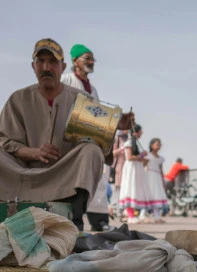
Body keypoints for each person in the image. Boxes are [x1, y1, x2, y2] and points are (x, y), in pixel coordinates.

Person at [0, 38, 134, 232]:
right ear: (33, 66)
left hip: (64, 173)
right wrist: (34, 153)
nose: (47, 67)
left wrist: (114, 126)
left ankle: (73, 219)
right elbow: (5, 140)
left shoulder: (81, 98)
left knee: (91, 151)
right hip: (23, 172)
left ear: (63, 66)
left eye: (52, 62)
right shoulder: (18, 99)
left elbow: (96, 137)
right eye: (41, 62)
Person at [61, 43, 112, 232]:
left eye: (92, 59)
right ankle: (72, 223)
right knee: (74, 182)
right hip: (69, 141)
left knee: (97, 180)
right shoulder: (65, 80)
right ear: (75, 61)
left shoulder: (94, 89)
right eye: (87, 58)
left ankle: (99, 221)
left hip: (90, 140)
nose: (91, 62)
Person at [119, 124, 151, 224]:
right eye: (140, 132)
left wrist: (143, 158)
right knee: (130, 190)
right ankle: (130, 215)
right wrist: (141, 155)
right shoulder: (128, 143)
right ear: (135, 132)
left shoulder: (135, 143)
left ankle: (133, 214)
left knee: (135, 191)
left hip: (136, 169)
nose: (141, 134)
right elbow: (129, 157)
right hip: (131, 169)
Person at [146, 138, 168, 223]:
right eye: (157, 144)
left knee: (157, 196)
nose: (159, 146)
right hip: (149, 176)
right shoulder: (148, 156)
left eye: (160, 144)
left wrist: (163, 180)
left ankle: (157, 216)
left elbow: (161, 170)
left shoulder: (161, 158)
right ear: (152, 145)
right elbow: (143, 165)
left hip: (157, 177)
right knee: (148, 196)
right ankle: (142, 214)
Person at [109, 130, 129, 220]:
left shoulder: (127, 138)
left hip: (125, 168)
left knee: (122, 190)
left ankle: (118, 211)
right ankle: (113, 210)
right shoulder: (117, 138)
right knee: (116, 190)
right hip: (117, 168)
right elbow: (112, 153)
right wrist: (122, 149)